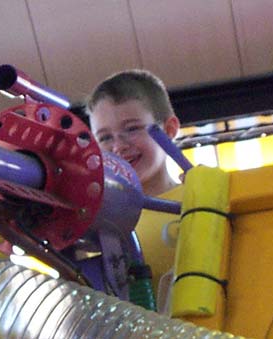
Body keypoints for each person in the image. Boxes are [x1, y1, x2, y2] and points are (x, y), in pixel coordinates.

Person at [85, 69, 183, 313]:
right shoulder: (96, 223)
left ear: (169, 130)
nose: (118, 146)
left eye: (132, 129)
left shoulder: (199, 199)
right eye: (105, 137)